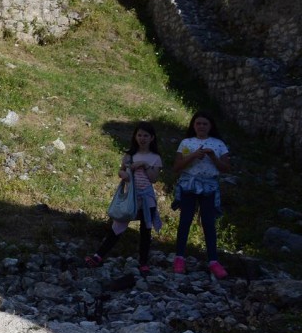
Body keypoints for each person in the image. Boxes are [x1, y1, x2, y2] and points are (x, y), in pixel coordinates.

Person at [85, 122, 163, 274]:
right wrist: (125, 175)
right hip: (130, 197)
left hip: (147, 199)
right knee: (117, 226)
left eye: (146, 135)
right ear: (135, 136)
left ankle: (143, 263)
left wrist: (144, 165)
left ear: (152, 138)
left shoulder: (155, 158)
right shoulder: (129, 155)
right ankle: (98, 256)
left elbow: (154, 179)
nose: (142, 138)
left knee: (146, 231)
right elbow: (120, 172)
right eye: (139, 135)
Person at [173, 111, 231, 278]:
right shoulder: (186, 142)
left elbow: (226, 168)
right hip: (188, 185)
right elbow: (177, 167)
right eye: (198, 123)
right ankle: (179, 257)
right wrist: (192, 156)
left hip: (209, 187)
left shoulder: (218, 144)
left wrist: (213, 157)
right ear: (193, 125)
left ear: (210, 126)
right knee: (185, 220)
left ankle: (213, 260)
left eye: (205, 124)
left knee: (209, 223)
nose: (201, 127)